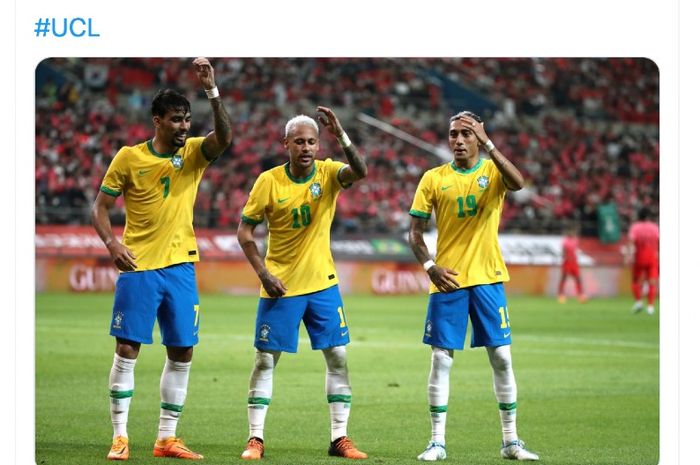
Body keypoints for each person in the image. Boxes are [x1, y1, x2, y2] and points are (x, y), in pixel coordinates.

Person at [92, 57, 233, 461]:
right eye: (175, 119)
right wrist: (112, 244)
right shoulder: (129, 158)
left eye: (187, 119)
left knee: (182, 351)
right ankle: (120, 436)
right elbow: (99, 208)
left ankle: (166, 439)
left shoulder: (192, 154)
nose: (184, 126)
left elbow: (223, 137)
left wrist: (212, 91)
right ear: (157, 120)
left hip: (181, 267)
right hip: (139, 266)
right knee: (128, 348)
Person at [236, 107, 368, 460]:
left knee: (337, 356)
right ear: (286, 145)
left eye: (312, 141)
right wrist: (263, 274)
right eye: (299, 142)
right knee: (265, 360)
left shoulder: (328, 174)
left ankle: (339, 437)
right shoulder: (268, 181)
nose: (307, 147)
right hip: (281, 284)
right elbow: (245, 231)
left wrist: (342, 135)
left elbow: (360, 171)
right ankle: (255, 438)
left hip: (323, 284)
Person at [408, 111, 539, 461]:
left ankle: (511, 441)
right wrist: (429, 266)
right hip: (448, 278)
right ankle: (437, 442)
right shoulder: (433, 178)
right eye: (454, 134)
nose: (459, 140)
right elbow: (415, 232)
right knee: (441, 360)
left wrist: (490, 143)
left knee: (501, 357)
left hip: (488, 278)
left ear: (478, 137)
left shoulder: (493, 173)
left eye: (467, 134)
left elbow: (519, 182)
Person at [628, 207, 660, 314]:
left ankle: (638, 302)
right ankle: (650, 307)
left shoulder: (635, 227)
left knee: (635, 281)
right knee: (652, 282)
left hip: (639, 258)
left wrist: (629, 256)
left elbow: (631, 242)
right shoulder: (655, 227)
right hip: (653, 258)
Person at [557, 226, 586, 303]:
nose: (573, 233)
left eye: (574, 232)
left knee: (578, 278)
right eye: (571, 232)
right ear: (568, 232)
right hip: (567, 261)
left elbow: (576, 250)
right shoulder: (565, 241)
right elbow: (563, 251)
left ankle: (581, 295)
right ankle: (561, 295)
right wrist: (565, 257)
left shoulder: (575, 240)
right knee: (564, 277)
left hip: (574, 262)